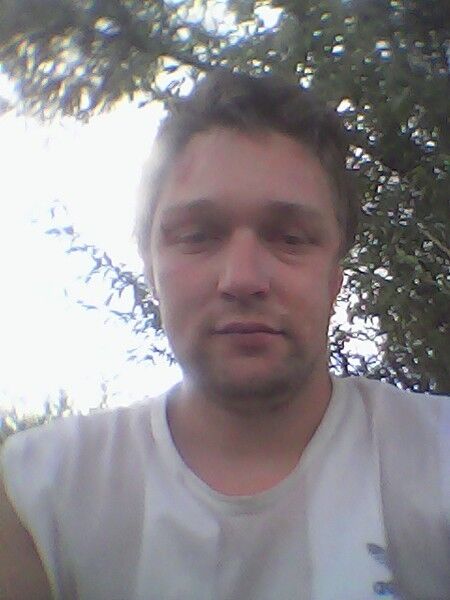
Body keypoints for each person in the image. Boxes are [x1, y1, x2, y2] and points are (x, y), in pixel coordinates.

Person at [0, 70, 449, 600]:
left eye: (290, 238)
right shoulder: (38, 494)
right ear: (151, 273)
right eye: (197, 236)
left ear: (334, 277)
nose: (242, 279)